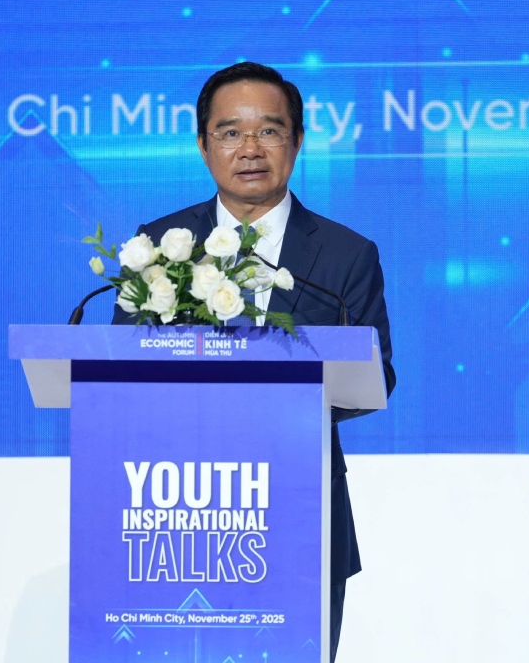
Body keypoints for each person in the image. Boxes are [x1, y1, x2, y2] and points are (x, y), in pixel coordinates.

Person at [112, 61, 396, 661]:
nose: (249, 148)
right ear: (203, 144)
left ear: (297, 141)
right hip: (179, 514)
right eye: (230, 132)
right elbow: (119, 367)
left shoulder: (346, 254)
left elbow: (377, 374)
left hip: (301, 509)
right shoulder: (158, 245)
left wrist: (275, 398)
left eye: (269, 130)